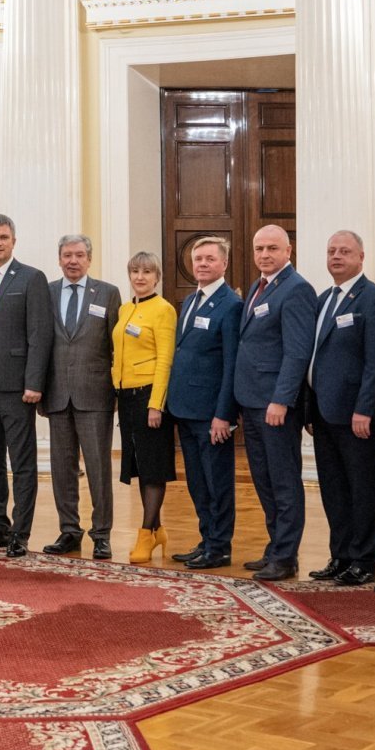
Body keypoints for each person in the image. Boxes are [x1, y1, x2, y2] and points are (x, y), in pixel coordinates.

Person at [302, 231, 375, 586]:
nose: (336, 257)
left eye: (344, 251)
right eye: (331, 251)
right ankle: (340, 555)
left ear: (361, 257)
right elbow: (313, 358)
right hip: (325, 415)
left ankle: (364, 560)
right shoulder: (324, 298)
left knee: (362, 488)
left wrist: (366, 408)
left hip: (357, 415)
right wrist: (310, 410)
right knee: (333, 489)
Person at [0, 214, 53, 557]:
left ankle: (21, 532)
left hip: (17, 388)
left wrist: (34, 382)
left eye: (3, 236)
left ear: (13, 241)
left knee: (22, 462)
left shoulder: (31, 278)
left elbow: (39, 334)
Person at [232, 223, 316, 581]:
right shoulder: (258, 286)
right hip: (251, 401)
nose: (264, 255)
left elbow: (297, 353)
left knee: (283, 481)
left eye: (271, 248)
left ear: (288, 251)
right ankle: (275, 546)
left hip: (275, 406)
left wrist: (282, 400)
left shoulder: (296, 290)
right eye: (259, 248)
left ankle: (286, 556)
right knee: (263, 479)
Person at [41, 234, 122, 559]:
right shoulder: (45, 292)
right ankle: (69, 531)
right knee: (62, 468)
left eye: (78, 255)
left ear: (89, 259)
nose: (72, 261)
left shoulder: (107, 293)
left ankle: (102, 534)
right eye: (66, 255)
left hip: (95, 396)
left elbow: (118, 345)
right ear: (59, 259)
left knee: (99, 467)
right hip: (57, 394)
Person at [166, 237, 241, 571]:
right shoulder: (189, 300)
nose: (202, 264)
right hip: (185, 408)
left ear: (223, 264)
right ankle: (206, 539)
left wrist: (224, 414)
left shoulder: (230, 304)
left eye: (210, 259)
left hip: (212, 414)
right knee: (197, 483)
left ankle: (220, 547)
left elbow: (231, 363)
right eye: (198, 259)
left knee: (218, 483)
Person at [113, 251, 177, 565]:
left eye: (147, 271)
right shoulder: (125, 309)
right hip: (126, 397)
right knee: (139, 465)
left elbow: (165, 359)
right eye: (135, 271)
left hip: (149, 396)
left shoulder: (163, 310)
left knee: (153, 467)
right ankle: (158, 528)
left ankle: (146, 532)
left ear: (157, 277)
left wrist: (157, 404)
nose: (140, 277)